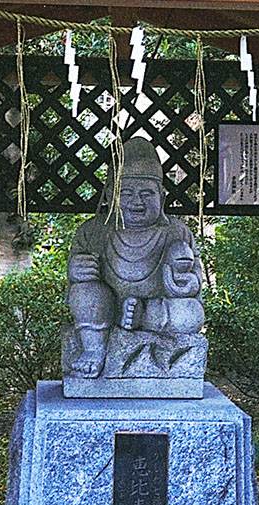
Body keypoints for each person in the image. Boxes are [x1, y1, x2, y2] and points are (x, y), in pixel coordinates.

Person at [67, 137, 204, 378]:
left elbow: (195, 284)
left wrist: (182, 279)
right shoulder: (92, 231)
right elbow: (72, 284)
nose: (136, 201)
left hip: (156, 308)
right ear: (109, 196)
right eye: (126, 193)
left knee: (189, 315)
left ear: (162, 197)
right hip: (106, 307)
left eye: (147, 193)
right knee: (85, 294)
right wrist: (78, 270)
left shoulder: (176, 232)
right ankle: (94, 348)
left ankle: (143, 317)